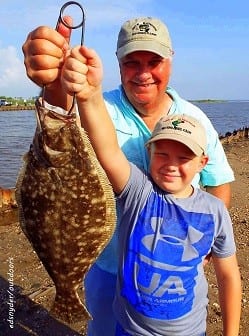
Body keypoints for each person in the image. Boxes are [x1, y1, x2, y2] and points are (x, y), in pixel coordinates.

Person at [22, 17, 235, 335]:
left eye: (154, 61)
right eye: (132, 62)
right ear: (118, 62)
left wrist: (202, 246)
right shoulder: (95, 106)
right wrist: (53, 80)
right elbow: (59, 116)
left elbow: (218, 183)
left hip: (170, 270)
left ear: (171, 60)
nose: (144, 73)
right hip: (104, 265)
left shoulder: (195, 120)